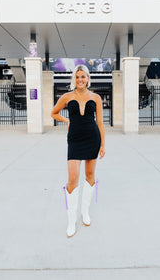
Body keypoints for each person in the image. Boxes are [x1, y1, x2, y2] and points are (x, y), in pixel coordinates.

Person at [51, 64, 105, 237]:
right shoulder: (67, 96)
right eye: (77, 76)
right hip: (74, 140)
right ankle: (71, 220)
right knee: (72, 178)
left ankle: (85, 212)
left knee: (90, 176)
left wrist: (103, 144)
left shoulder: (96, 97)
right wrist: (67, 122)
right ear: (74, 79)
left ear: (88, 78)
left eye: (83, 76)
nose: (80, 79)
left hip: (92, 138)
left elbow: (100, 123)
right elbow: (54, 113)